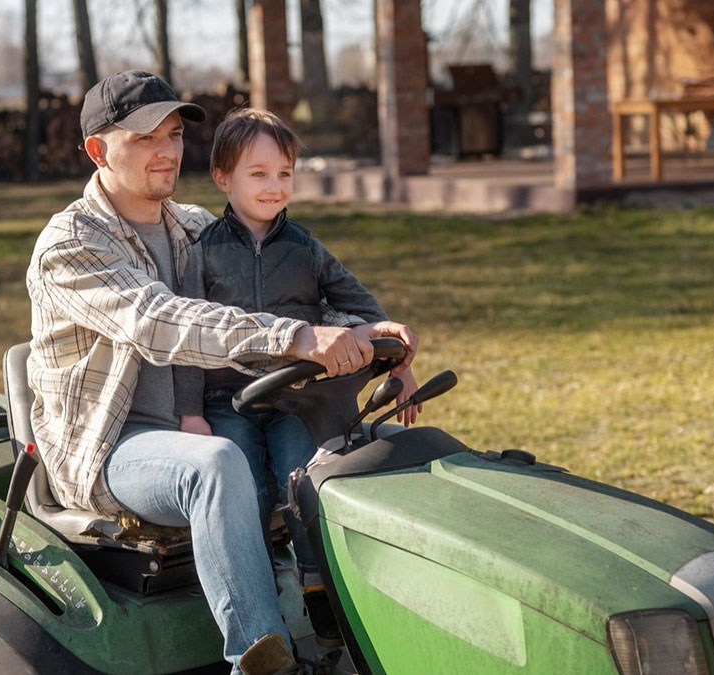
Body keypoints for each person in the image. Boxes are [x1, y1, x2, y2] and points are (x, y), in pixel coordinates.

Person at [25, 70, 417, 674]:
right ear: (99, 151)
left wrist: (368, 332)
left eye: (175, 134)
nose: (167, 151)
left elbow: (288, 290)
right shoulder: (71, 245)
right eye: (145, 137)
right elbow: (160, 321)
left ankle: (369, 633)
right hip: (112, 446)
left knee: (370, 451)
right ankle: (259, 658)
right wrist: (300, 337)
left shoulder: (193, 227)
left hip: (211, 415)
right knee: (216, 466)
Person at [177, 108, 421, 647]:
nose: (274, 186)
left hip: (294, 399)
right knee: (246, 490)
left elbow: (362, 309)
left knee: (306, 479)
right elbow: (187, 341)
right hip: (226, 401)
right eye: (258, 174)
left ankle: (321, 592)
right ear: (224, 178)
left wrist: (398, 359)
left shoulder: (306, 249)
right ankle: (259, 600)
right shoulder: (203, 253)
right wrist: (190, 412)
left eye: (284, 173)